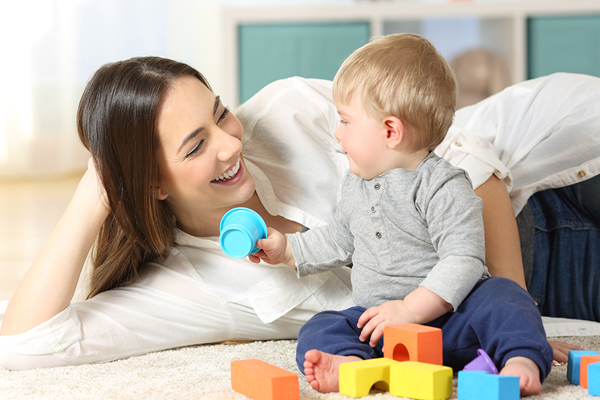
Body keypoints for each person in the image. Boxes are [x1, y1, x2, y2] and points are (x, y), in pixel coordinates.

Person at [0, 55, 593, 371]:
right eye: (195, 145)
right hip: (553, 281)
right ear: (151, 184)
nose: (230, 145)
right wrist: (95, 191)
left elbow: (471, 164)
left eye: (219, 114)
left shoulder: (290, 110)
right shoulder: (185, 286)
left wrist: (515, 311)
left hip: (542, 185)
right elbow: (24, 344)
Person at [252, 33, 553, 396]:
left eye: (346, 121)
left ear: (391, 131)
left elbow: (464, 259)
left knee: (504, 296)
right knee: (322, 325)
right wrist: (288, 251)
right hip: (382, 326)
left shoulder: (444, 185)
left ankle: (520, 361)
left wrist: (411, 309)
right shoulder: (355, 184)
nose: (337, 132)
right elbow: (339, 239)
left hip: (454, 321)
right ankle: (353, 363)